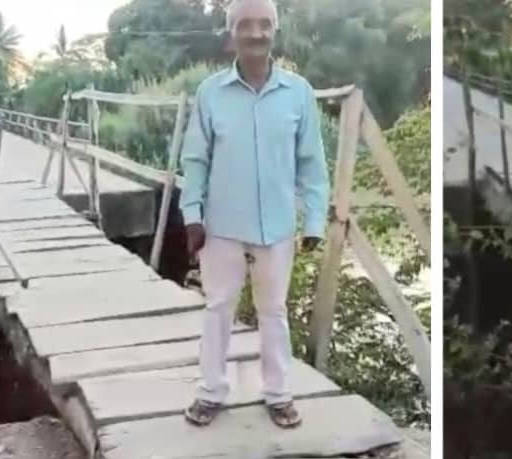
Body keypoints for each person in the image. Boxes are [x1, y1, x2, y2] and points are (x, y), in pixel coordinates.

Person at [178, 0, 330, 428]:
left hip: (278, 224)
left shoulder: (298, 92)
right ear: (232, 35)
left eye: (265, 25)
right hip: (221, 224)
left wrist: (314, 220)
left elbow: (312, 164)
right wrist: (192, 213)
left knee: (273, 310)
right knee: (218, 307)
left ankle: (279, 394)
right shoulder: (210, 93)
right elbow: (195, 160)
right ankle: (210, 392)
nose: (256, 33)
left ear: (275, 32)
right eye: (246, 25)